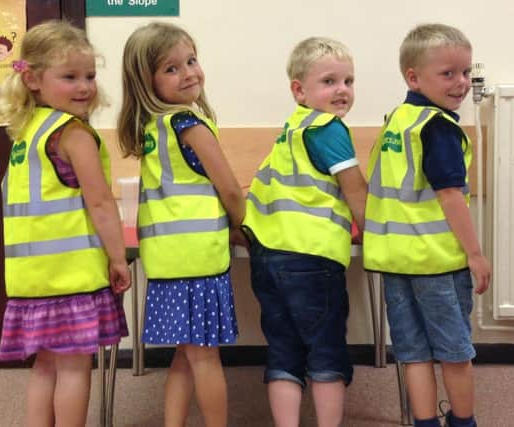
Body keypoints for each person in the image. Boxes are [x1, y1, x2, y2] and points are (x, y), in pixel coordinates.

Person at [0, 20, 130, 426]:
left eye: (89, 75)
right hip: (70, 277)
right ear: (33, 79)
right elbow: (102, 203)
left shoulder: (26, 133)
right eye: (69, 77)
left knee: (45, 367)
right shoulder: (72, 134)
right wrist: (119, 259)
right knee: (74, 367)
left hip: (31, 278)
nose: (84, 86)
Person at [117, 22, 245, 427]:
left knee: (185, 354)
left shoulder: (152, 130)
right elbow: (231, 191)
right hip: (198, 259)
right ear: (146, 81)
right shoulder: (189, 126)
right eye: (172, 68)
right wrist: (242, 227)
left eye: (191, 60)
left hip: (167, 260)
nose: (189, 72)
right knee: (204, 355)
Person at [363, 23, 491, 427]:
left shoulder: (397, 120)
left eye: (466, 72)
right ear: (413, 77)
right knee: (455, 351)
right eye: (448, 73)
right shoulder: (437, 127)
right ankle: (464, 421)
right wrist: (475, 254)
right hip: (436, 264)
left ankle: (424, 423)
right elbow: (450, 196)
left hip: (396, 262)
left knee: (414, 352)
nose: (462, 83)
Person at [242, 37, 367, 427]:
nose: (342, 90)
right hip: (311, 260)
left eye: (348, 80)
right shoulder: (329, 129)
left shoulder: (292, 129)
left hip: (267, 257)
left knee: (284, 351)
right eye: (329, 81)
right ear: (300, 90)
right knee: (326, 351)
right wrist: (380, 234)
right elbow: (355, 190)